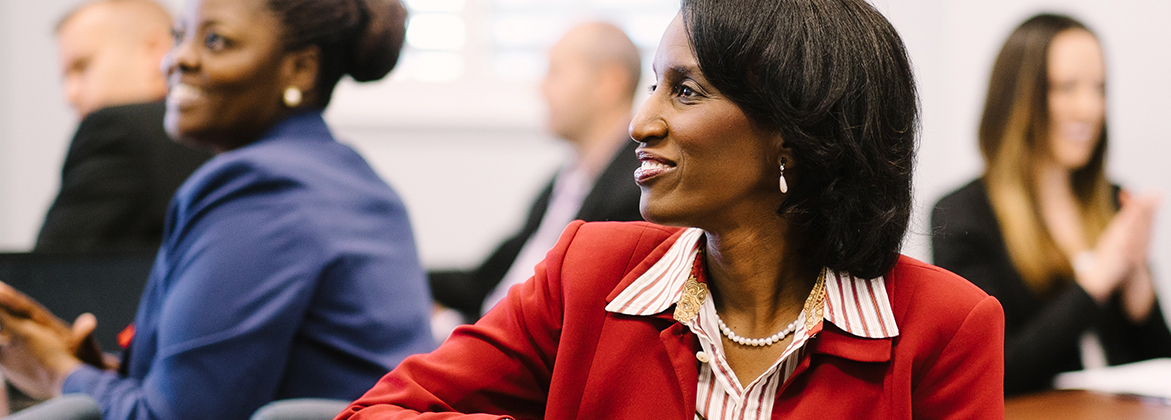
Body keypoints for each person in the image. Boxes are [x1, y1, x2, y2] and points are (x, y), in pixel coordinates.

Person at [338, 0, 1003, 418]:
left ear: (793, 136)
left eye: (684, 92)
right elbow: (379, 411)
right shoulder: (587, 273)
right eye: (654, 83)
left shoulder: (943, 327)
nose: (640, 122)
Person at [0, 0, 434, 419]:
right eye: (179, 36)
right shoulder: (353, 177)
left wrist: (53, 371)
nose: (177, 60)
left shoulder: (259, 186)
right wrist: (97, 374)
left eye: (216, 41)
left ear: (300, 68)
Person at [932, 13, 1171, 396]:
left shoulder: (1112, 199)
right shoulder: (962, 215)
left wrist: (1138, 285)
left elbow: (1159, 361)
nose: (1089, 108)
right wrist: (1098, 279)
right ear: (1017, 99)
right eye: (1066, 88)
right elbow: (993, 370)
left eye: (1099, 88)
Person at [428, 22, 643, 322]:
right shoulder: (565, 181)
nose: (541, 87)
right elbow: (486, 280)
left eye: (555, 72)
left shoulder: (637, 192)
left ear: (609, 82)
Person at [38, 0, 212, 253]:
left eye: (82, 66)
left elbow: (42, 277)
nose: (70, 95)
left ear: (155, 50)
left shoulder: (119, 132)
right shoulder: (231, 133)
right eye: (65, 78)